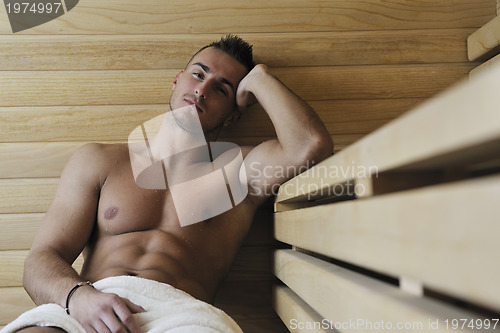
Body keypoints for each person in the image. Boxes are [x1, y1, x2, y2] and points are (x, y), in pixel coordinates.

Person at [7, 35, 333, 333]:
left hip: (182, 316)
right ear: (177, 80)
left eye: (221, 89)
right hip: (91, 303)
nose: (202, 90)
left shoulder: (240, 172)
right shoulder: (100, 160)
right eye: (198, 74)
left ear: (234, 115)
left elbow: (310, 145)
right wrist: (77, 297)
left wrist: (260, 78)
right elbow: (41, 259)